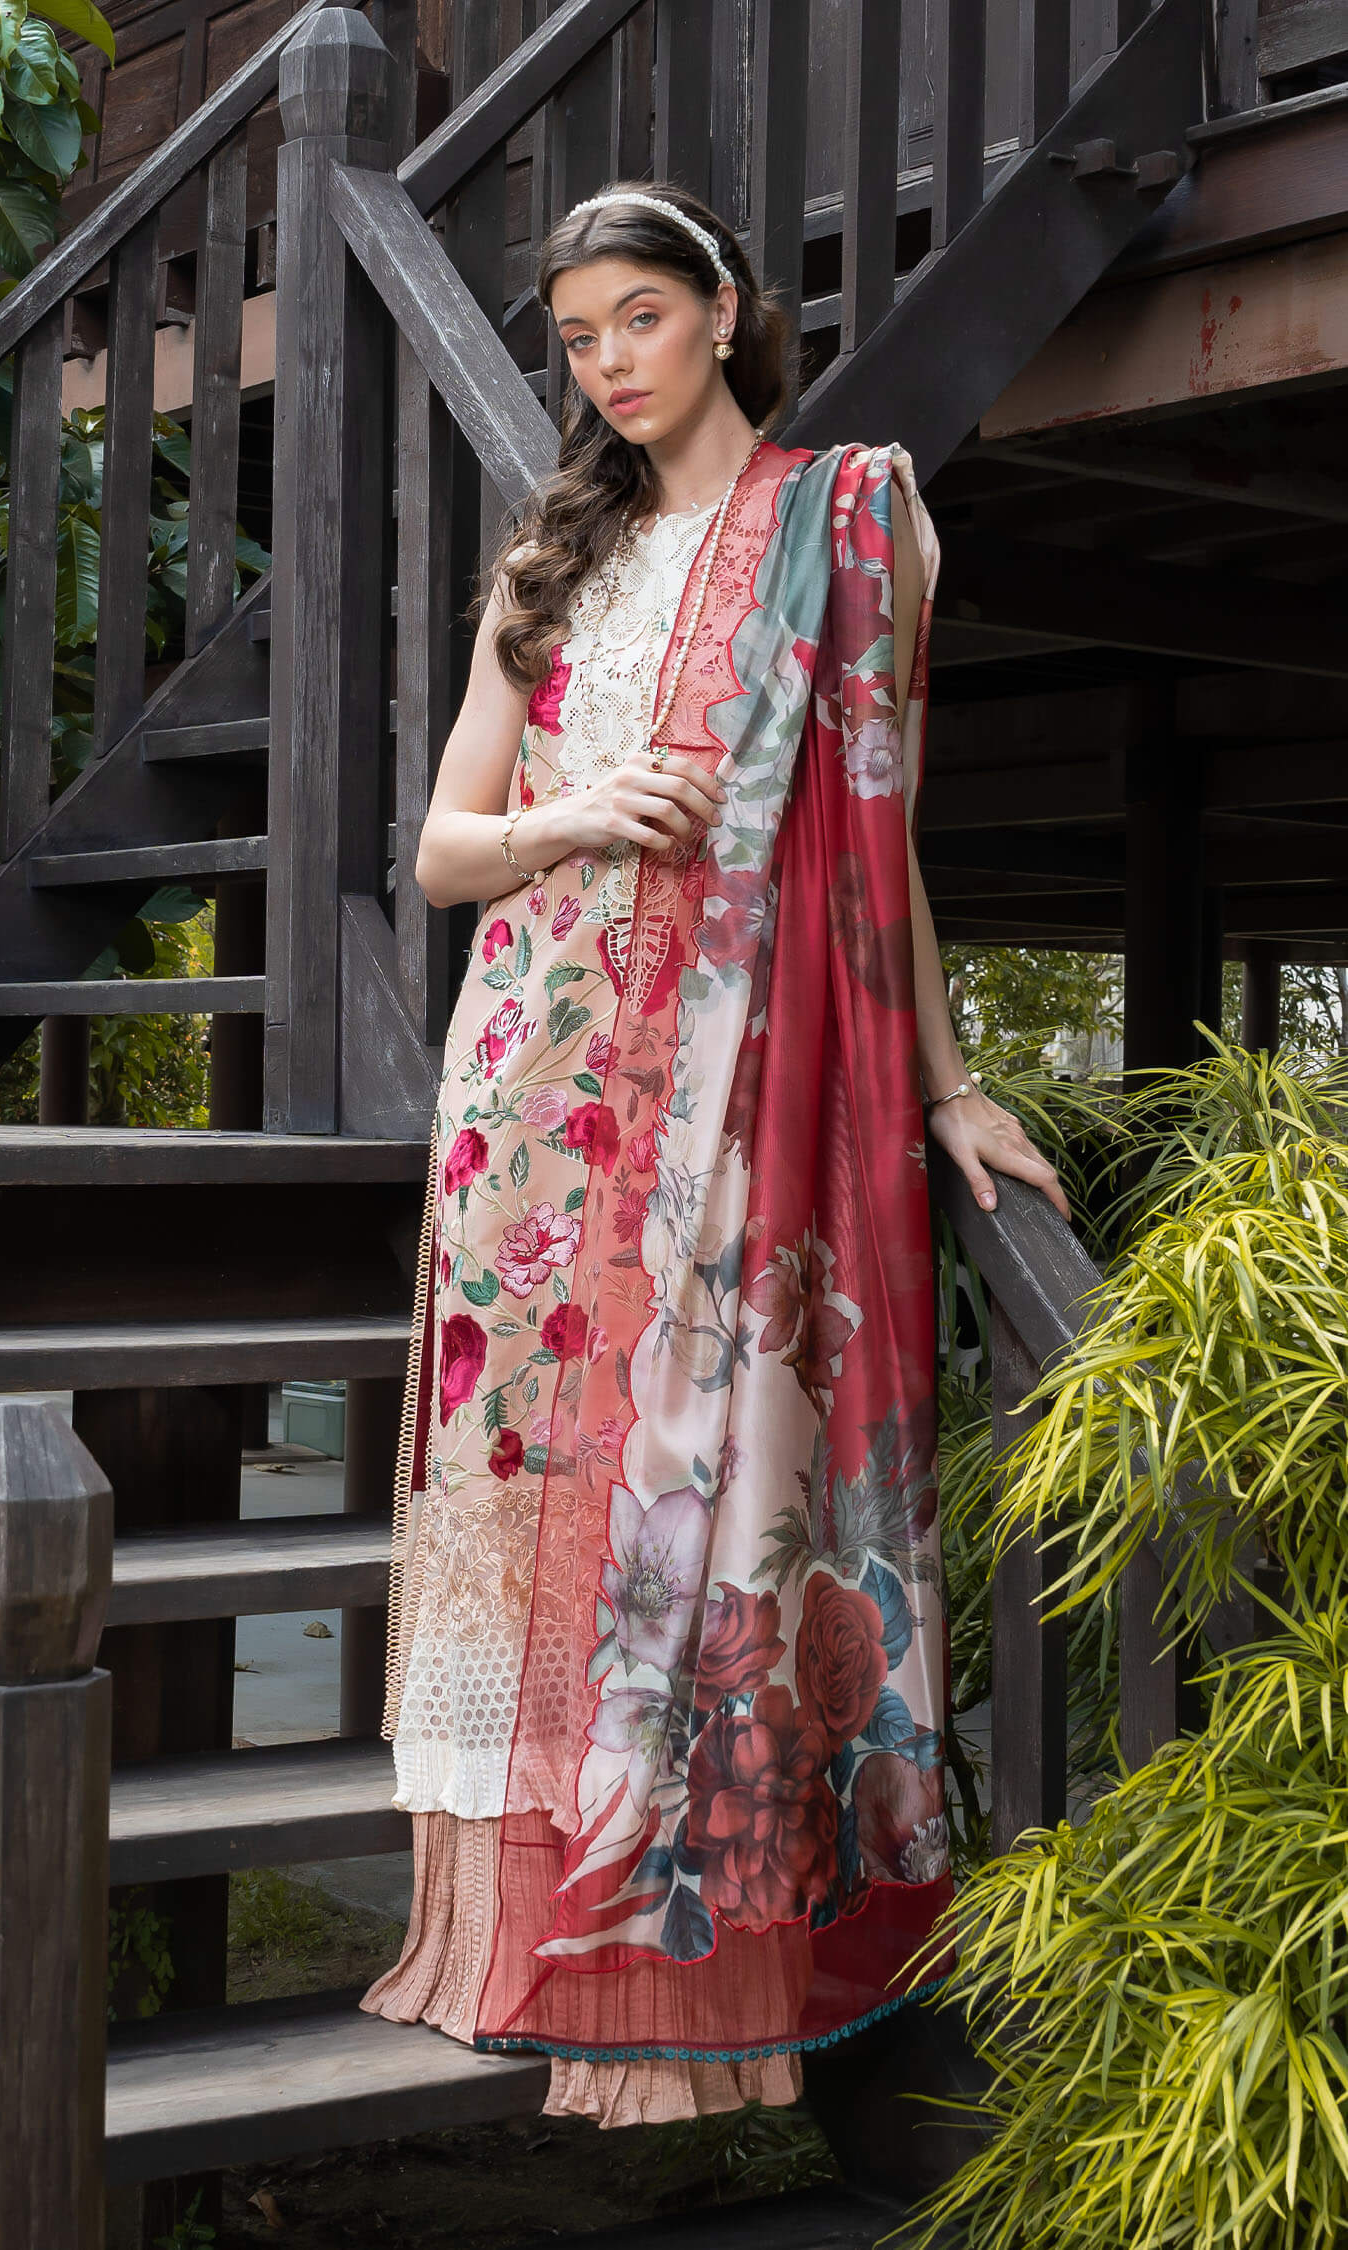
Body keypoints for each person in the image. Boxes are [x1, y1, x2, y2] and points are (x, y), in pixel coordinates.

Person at [361, 178, 1067, 2130]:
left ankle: (690, 1973)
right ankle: (531, 1934)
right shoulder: (549, 562)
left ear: (724, 310)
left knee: (702, 1495)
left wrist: (944, 1086)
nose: (609, 364)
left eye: (640, 320)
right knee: (535, 1504)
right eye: (578, 337)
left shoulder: (850, 519)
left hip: (740, 1090)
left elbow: (879, 833)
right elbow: (443, 850)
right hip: (535, 1094)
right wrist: (580, 812)